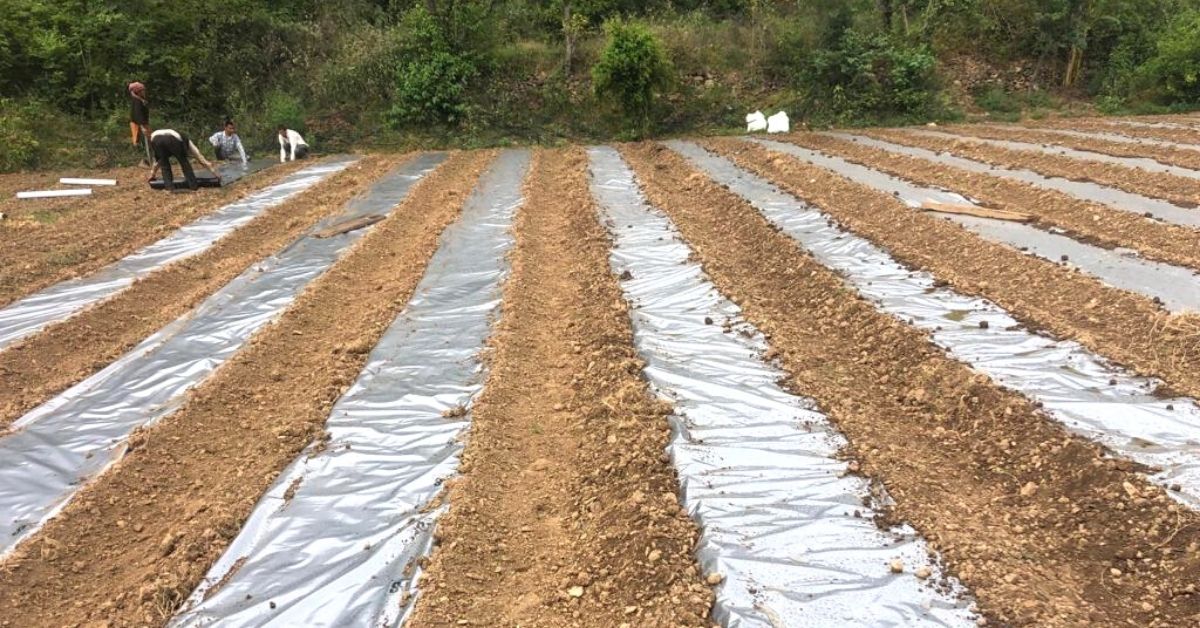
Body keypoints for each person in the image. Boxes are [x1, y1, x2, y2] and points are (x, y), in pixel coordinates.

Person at [147, 129, 221, 191]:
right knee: (184, 162)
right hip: (173, 140)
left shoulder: (156, 135)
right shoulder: (185, 139)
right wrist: (213, 171)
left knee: (164, 164)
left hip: (155, 140)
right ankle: (193, 186)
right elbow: (199, 156)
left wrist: (152, 174)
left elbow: (157, 161)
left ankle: (169, 188)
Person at [128, 82, 151, 165]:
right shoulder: (137, 101)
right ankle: (143, 161)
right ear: (138, 92)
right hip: (138, 124)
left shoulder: (141, 100)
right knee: (139, 142)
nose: (144, 92)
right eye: (142, 90)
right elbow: (138, 115)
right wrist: (142, 127)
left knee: (148, 141)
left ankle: (148, 160)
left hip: (143, 123)